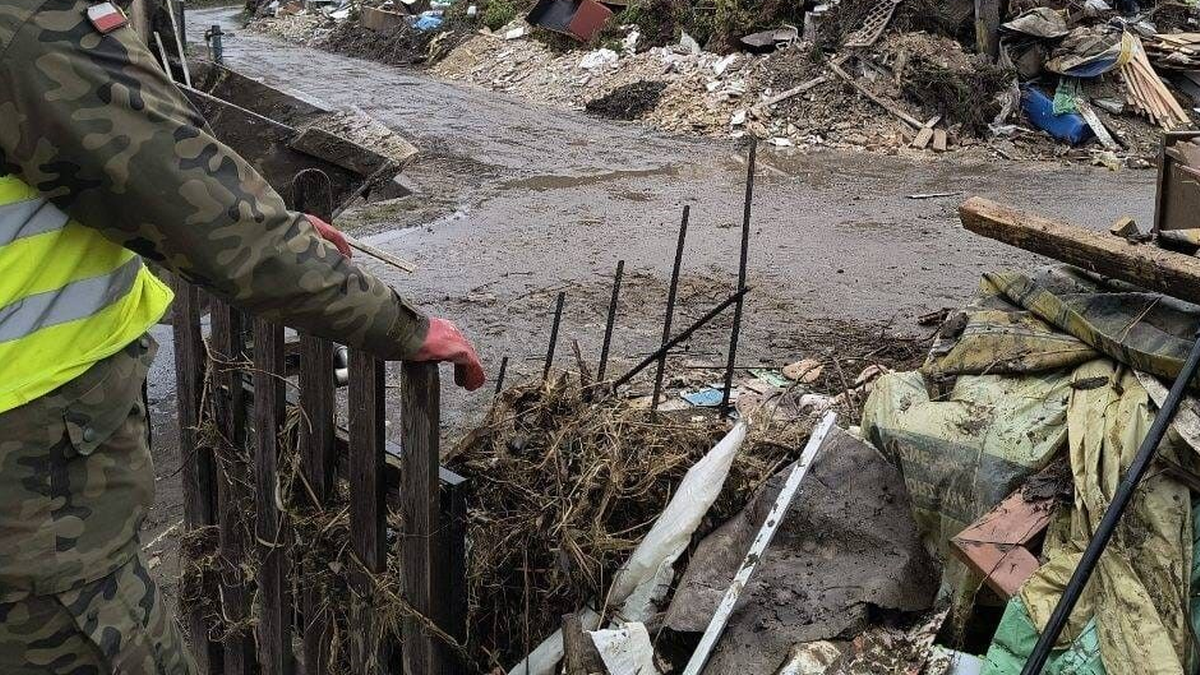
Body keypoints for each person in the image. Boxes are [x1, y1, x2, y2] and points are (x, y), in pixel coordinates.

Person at [0, 0, 485, 671]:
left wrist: (269, 220)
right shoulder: (28, 22)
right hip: (34, 498)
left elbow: (128, 176)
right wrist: (404, 325)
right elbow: (183, 194)